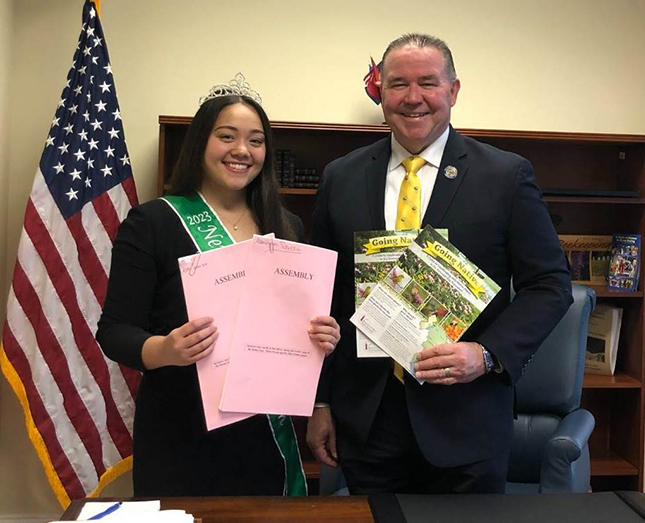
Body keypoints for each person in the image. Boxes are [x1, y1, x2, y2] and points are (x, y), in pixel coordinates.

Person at [307, 33, 573, 494]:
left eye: (428, 83)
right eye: (398, 84)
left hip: (467, 419)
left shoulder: (505, 175)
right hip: (367, 420)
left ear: (453, 90)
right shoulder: (341, 176)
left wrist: (485, 354)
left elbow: (549, 285)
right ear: (380, 92)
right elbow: (325, 296)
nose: (413, 98)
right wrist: (321, 401)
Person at [97, 90, 340, 497]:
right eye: (226, 136)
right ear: (200, 143)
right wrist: (166, 349)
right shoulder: (153, 222)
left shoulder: (287, 225)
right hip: (181, 430)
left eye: (256, 141)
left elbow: (294, 327)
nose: (242, 150)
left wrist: (320, 338)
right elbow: (114, 331)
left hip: (265, 435)